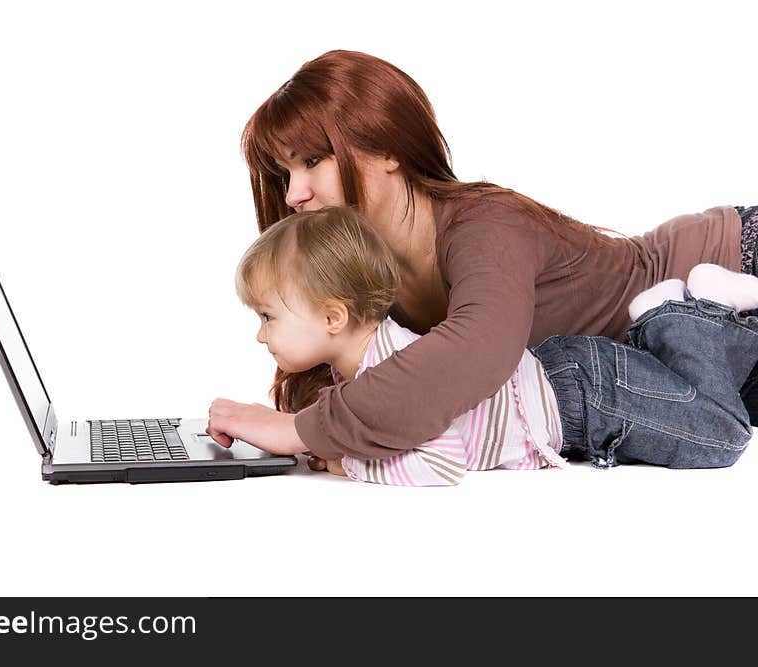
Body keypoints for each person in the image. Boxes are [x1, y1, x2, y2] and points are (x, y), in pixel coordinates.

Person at [205, 48, 758, 469]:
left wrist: (303, 431)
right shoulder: (366, 276)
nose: (292, 194)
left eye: (312, 161)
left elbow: (477, 353)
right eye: (284, 173)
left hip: (729, 261)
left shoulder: (485, 224)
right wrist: (339, 438)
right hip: (694, 367)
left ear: (388, 148)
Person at [209, 206, 757, 484]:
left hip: (586, 397)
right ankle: (679, 316)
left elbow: (442, 461)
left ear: (333, 316)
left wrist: (347, 465)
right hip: (576, 386)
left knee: (722, 437)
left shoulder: (391, 365)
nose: (260, 333)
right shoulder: (359, 372)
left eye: (268, 316)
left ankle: (685, 313)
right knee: (710, 398)